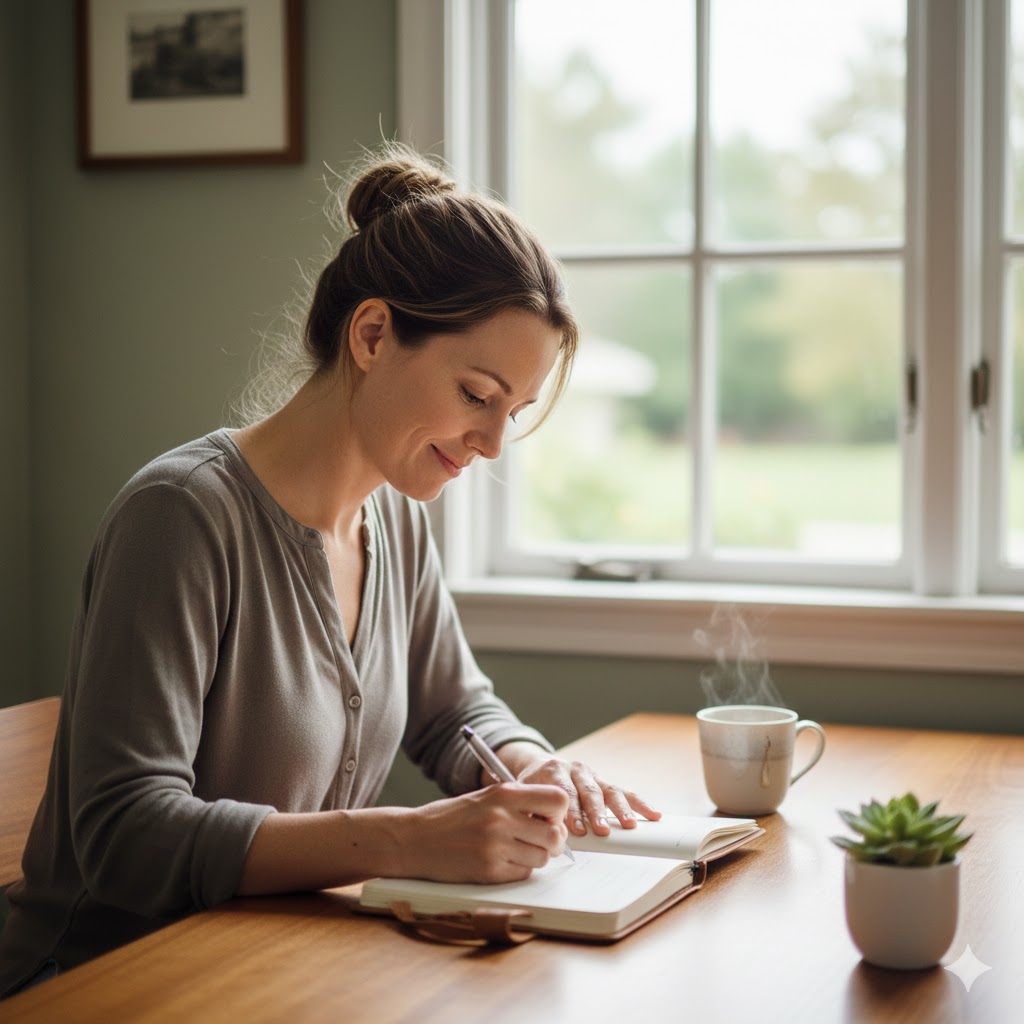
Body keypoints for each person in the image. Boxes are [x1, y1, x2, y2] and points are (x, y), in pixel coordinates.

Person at [0, 144, 659, 998]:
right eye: (476, 395)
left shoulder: (397, 516)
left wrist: (534, 766)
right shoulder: (182, 516)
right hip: (104, 983)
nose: (494, 444)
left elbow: (455, 708)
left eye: (514, 412)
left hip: (273, 972)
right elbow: (128, 834)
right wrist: (410, 839)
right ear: (375, 334)